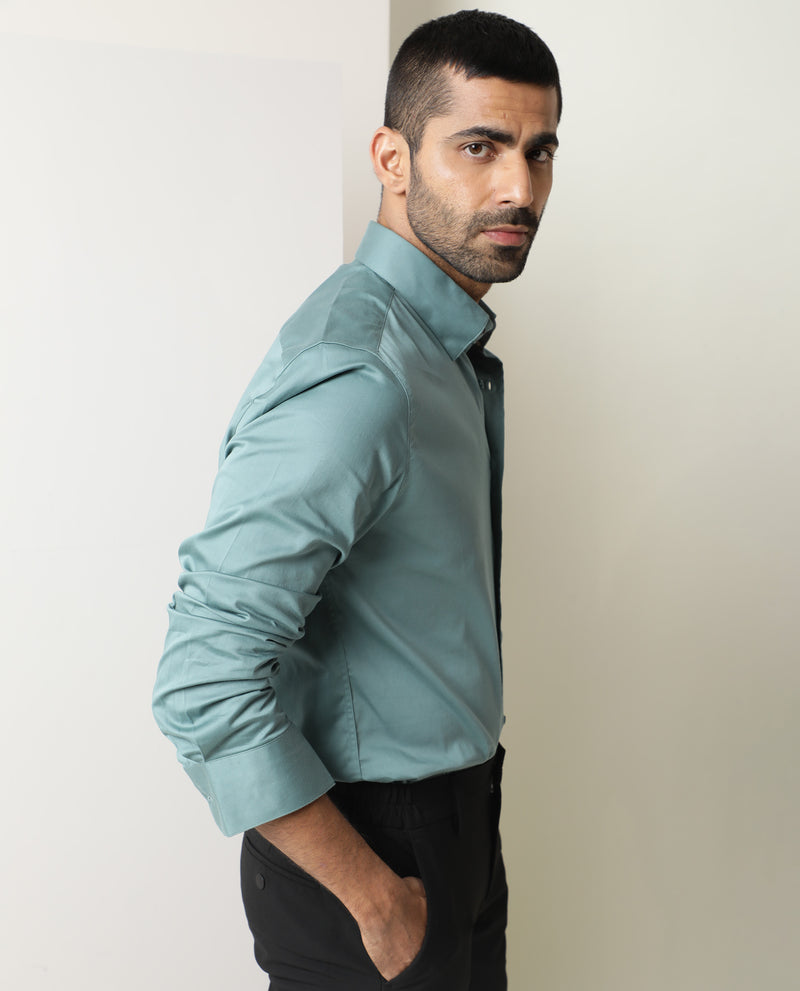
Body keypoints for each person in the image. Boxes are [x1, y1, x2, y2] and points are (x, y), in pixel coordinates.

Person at [153, 10, 561, 990]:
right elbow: (203, 678)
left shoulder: (438, 352)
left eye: (539, 150)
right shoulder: (362, 377)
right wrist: (374, 896)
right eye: (480, 147)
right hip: (370, 849)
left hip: (457, 819)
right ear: (392, 158)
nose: (519, 186)